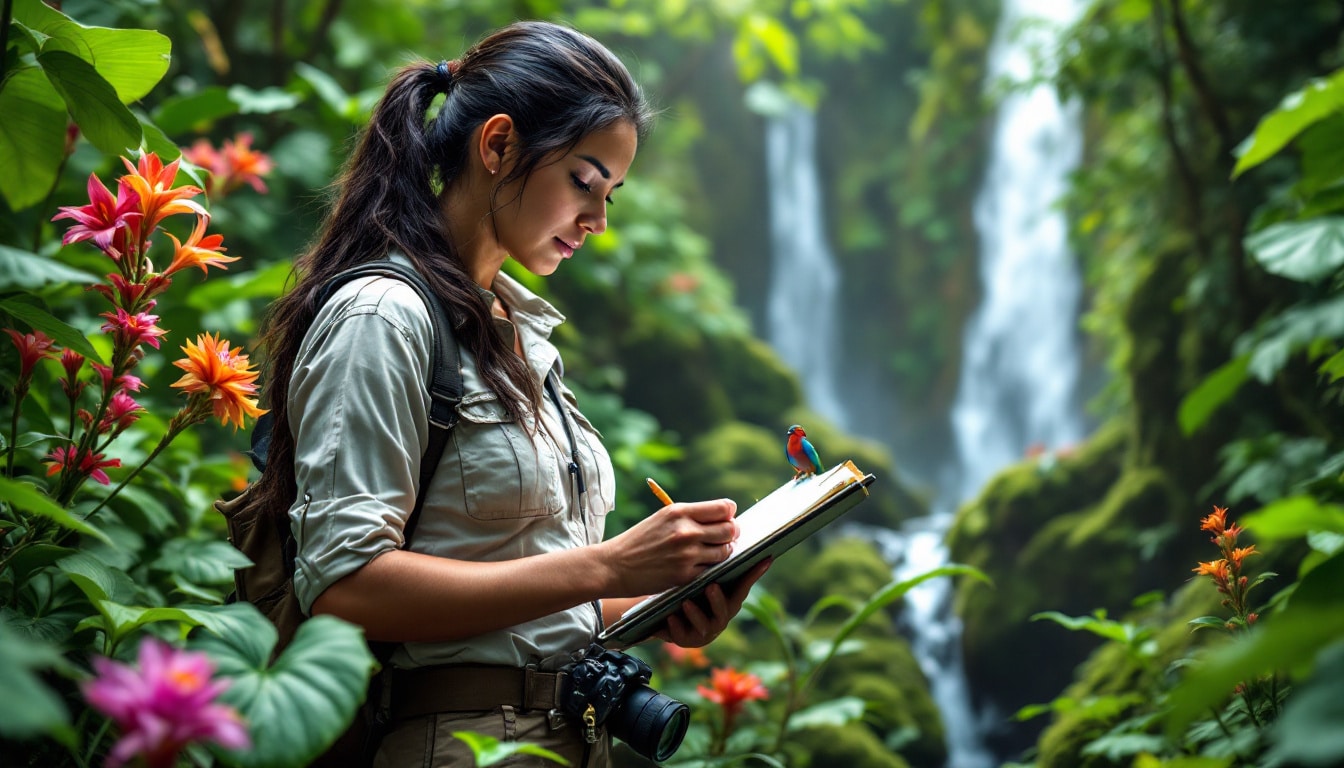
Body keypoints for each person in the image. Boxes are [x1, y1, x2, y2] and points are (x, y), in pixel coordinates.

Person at [252, 20, 769, 768]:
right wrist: (611, 566)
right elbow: (346, 583)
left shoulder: (519, 332)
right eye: (584, 182)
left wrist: (663, 603)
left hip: (565, 742)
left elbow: (529, 608)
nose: (595, 220)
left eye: (611, 196)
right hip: (453, 746)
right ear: (496, 146)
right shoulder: (383, 317)